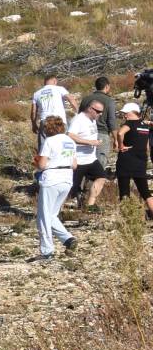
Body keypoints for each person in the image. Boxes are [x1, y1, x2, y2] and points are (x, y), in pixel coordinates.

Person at [34, 116, 77, 260]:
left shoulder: (49, 141)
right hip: (67, 178)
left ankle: (47, 251)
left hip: (52, 178)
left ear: (48, 128)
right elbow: (74, 164)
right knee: (52, 214)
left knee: (43, 216)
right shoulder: (70, 141)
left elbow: (41, 165)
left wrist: (38, 165)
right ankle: (68, 238)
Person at [69, 97, 110, 211]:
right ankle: (58, 212)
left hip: (91, 159)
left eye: (101, 112)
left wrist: (95, 143)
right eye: (98, 111)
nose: (100, 114)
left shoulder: (92, 119)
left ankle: (90, 206)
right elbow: (70, 135)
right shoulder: (78, 120)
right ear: (89, 109)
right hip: (79, 159)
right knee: (71, 187)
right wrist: (90, 142)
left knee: (101, 177)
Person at [118, 102, 153, 222]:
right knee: (145, 191)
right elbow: (147, 146)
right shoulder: (144, 125)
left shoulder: (129, 123)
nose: (124, 116)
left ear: (131, 112)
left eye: (125, 113)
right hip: (141, 159)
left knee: (124, 190)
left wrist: (121, 145)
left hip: (126, 159)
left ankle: (127, 219)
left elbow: (120, 133)